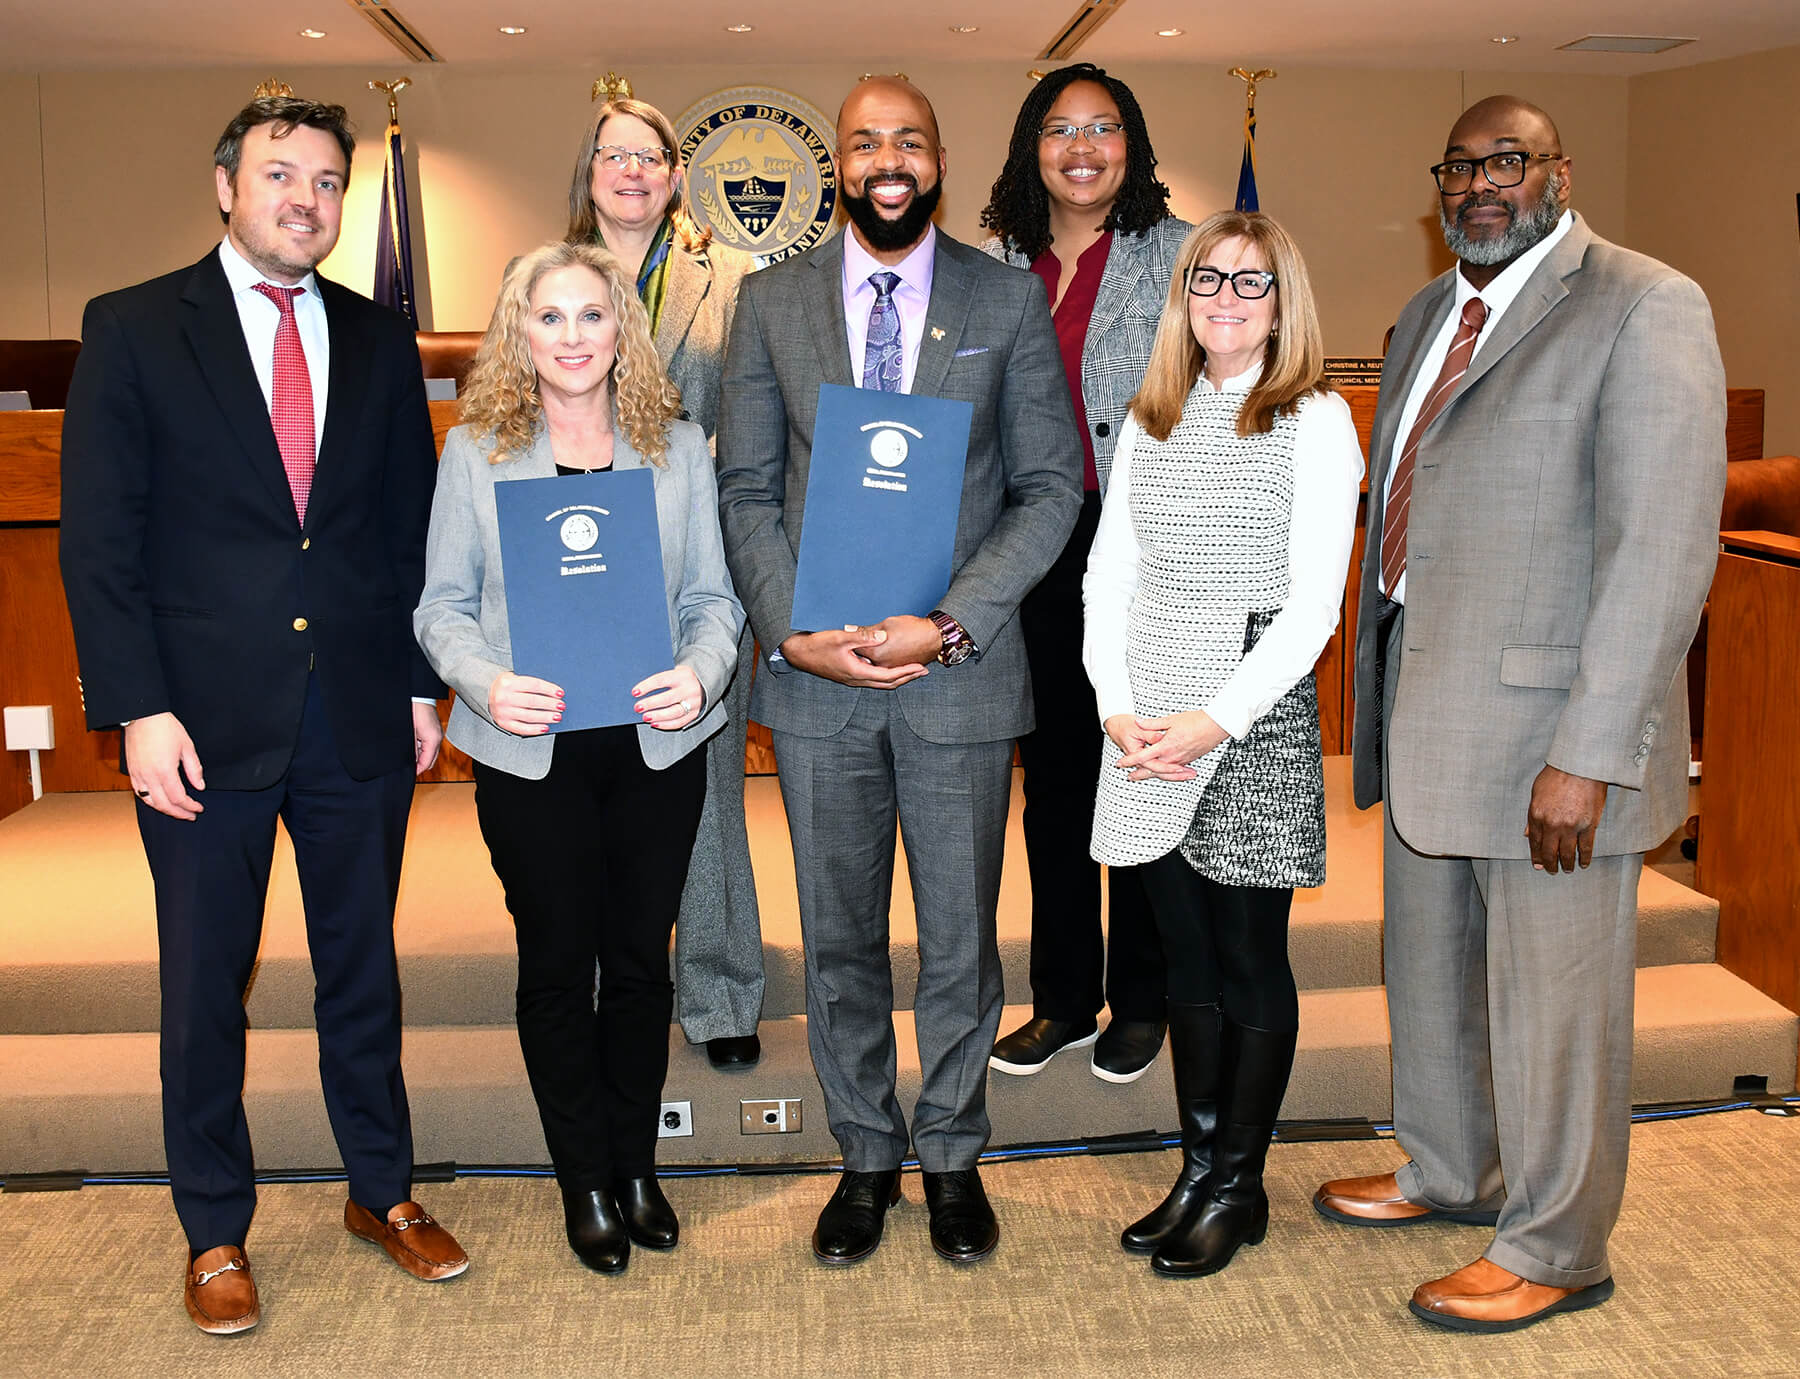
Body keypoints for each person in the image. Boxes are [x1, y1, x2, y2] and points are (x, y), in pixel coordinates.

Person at [1313, 96, 1725, 1332]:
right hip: (1427, 719)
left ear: (1558, 170)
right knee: (1428, 976)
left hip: (1554, 742)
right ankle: (1451, 1168)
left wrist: (1591, 754)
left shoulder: (1647, 304)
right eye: (1461, 166)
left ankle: (1558, 1243)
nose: (1482, 185)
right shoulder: (1432, 311)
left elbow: (1660, 552)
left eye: (1509, 161)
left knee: (1557, 1012)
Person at [58, 95, 466, 1336]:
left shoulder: (378, 337)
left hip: (353, 714)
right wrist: (136, 707)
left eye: (330, 182)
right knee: (203, 981)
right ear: (225, 184)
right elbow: (100, 542)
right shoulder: (131, 328)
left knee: (363, 969)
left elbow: (405, 529)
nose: (309, 198)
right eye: (283, 174)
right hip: (198, 724)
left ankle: (381, 1193)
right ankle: (214, 1227)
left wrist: (414, 683)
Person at [716, 76, 1081, 1265]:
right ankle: (866, 1153)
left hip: (958, 677)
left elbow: (1049, 490)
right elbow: (747, 489)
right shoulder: (770, 303)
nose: (887, 159)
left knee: (963, 937)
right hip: (818, 680)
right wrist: (787, 628)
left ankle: (953, 1156)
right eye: (865, 140)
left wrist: (952, 622)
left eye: (908, 141)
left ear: (936, 158)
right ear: (840, 163)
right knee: (837, 937)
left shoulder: (1007, 298)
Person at [414, 241, 743, 1274]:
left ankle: (637, 1161)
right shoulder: (474, 451)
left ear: (622, 329)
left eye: (590, 316)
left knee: (642, 962)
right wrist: (482, 680)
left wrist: (703, 670)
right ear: (520, 330)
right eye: (548, 317)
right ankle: (585, 1175)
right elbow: (441, 607)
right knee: (560, 965)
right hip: (531, 751)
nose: (571, 337)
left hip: (654, 743)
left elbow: (713, 599)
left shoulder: (677, 448)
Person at [1084, 211, 1362, 1277]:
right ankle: (1198, 1168)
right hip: (1147, 706)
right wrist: (1117, 704)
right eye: (1210, 279)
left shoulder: (1316, 415)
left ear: (1283, 302)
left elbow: (1312, 608)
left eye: (1252, 284)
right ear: (1184, 293)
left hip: (1248, 709)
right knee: (1183, 960)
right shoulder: (1151, 411)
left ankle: (1239, 1184)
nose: (1227, 301)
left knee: (1248, 959)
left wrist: (1216, 719)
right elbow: (1111, 575)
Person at [979, 61, 1193, 1083]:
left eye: (1103, 128)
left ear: (1133, 145)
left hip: (1143, 542)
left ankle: (1143, 995)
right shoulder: (992, 263)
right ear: (1032, 146)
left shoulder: (1186, 257)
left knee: (1141, 762)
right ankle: (1064, 994)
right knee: (1056, 777)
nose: (1081, 148)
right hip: (1032, 543)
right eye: (1059, 129)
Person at [566, 95, 766, 1070]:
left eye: (651, 156)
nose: (633, 171)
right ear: (591, 170)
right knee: (600, 782)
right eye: (616, 155)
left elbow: (752, 415)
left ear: (676, 176)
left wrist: (688, 485)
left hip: (698, 563)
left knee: (708, 782)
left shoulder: (727, 277)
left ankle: (723, 991)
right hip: (581, 560)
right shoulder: (551, 280)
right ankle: (615, 975)